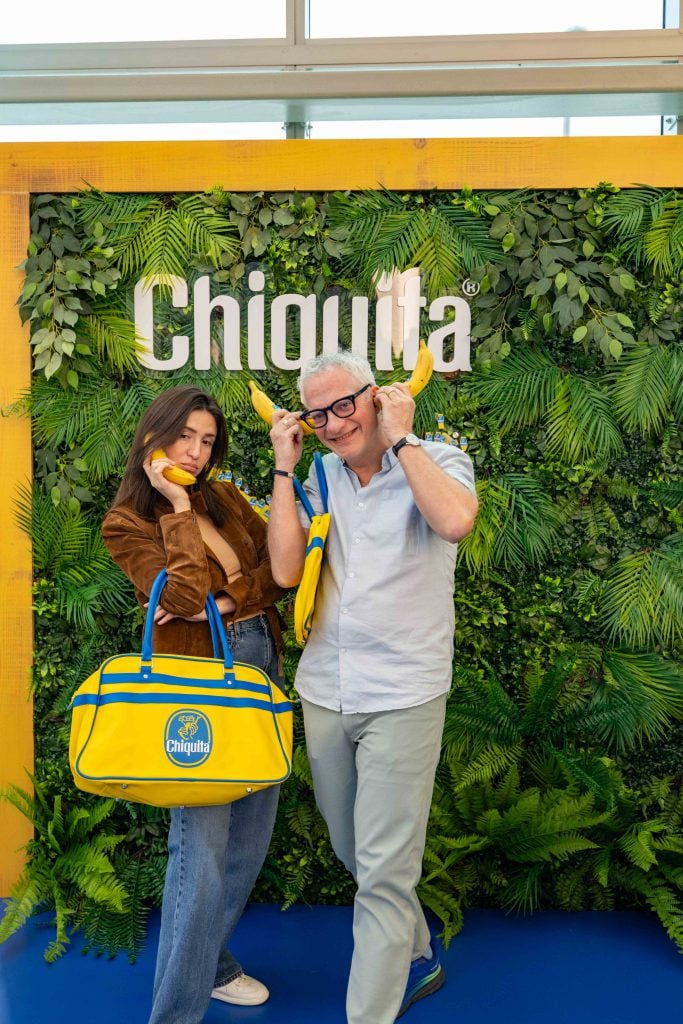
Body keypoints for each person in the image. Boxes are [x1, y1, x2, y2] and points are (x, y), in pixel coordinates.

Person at [267, 352, 478, 1024]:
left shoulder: (437, 459)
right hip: (326, 686)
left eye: (343, 405)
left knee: (384, 868)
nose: (331, 423)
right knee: (349, 846)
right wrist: (284, 466)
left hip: (403, 691)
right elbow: (283, 569)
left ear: (374, 396)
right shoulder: (321, 474)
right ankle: (417, 949)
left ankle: (371, 1014)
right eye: (316, 412)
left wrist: (403, 438)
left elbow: (454, 523)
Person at [102, 385, 286, 1024]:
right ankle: (174, 1014)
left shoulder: (227, 497)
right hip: (197, 688)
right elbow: (181, 599)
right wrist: (177, 507)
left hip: (259, 667)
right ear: (156, 433)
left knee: (249, 840)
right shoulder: (126, 523)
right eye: (186, 437)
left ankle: (211, 966)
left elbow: (279, 569)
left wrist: (233, 600)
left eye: (207, 442)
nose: (196, 452)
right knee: (201, 848)